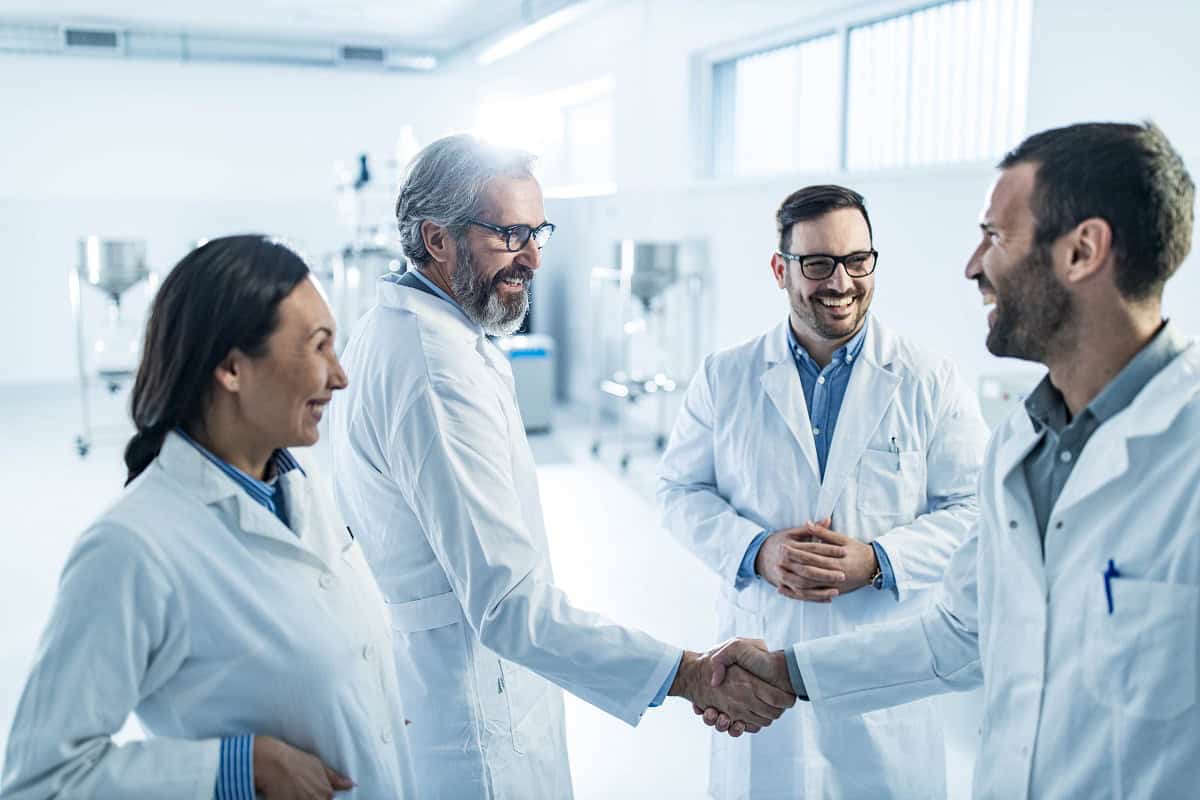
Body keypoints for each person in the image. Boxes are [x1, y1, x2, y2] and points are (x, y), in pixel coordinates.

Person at [705, 121, 1199, 798]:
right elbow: (959, 633)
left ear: (1083, 250)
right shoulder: (1023, 447)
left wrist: (878, 560)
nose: (973, 265)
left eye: (994, 236)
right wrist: (788, 673)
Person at [328, 134, 795, 798]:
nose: (535, 257)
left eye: (538, 230)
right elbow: (511, 607)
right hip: (470, 716)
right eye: (511, 233)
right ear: (436, 240)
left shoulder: (419, 330)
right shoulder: (436, 373)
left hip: (444, 686)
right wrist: (688, 673)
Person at [0, 236, 416, 799]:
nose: (340, 377)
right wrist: (238, 768)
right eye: (318, 348)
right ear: (231, 368)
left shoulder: (300, 484)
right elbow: (41, 781)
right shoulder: (130, 548)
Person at [656, 184, 989, 798]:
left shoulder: (929, 379)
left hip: (882, 668)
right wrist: (756, 550)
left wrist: (880, 560)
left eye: (857, 260)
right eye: (817, 264)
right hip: (763, 648)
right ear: (781, 269)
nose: (840, 282)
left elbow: (976, 509)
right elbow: (679, 490)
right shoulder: (726, 376)